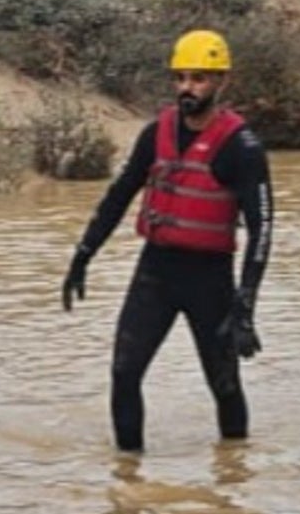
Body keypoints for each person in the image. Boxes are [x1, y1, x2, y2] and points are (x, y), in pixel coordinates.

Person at [62, 29, 272, 453]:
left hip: (209, 279)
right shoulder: (156, 132)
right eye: (179, 78)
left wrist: (245, 301)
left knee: (225, 384)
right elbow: (119, 194)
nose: (186, 88)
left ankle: (234, 479)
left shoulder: (242, 147)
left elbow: (263, 227)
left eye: (198, 78)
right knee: (124, 372)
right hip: (156, 271)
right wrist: (83, 254)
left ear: (221, 81)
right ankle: (128, 478)